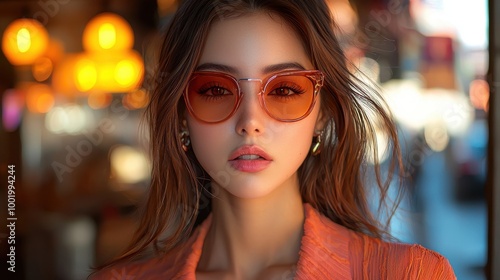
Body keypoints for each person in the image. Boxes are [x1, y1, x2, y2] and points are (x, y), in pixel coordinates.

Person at [93, 0, 456, 279]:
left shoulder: (409, 273)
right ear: (181, 113)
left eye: (284, 90)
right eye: (216, 89)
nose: (250, 122)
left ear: (323, 112)